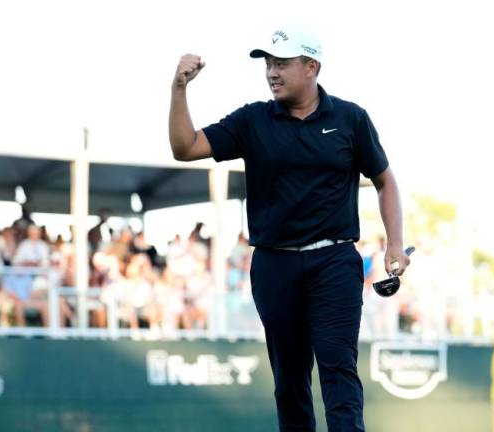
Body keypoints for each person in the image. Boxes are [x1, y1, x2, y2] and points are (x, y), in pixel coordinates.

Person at [168, 26, 411, 432]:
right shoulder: (253, 120)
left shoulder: (350, 119)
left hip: (333, 261)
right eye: (267, 63)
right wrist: (179, 88)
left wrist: (395, 245)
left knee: (338, 367)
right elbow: (185, 147)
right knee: (290, 381)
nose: (271, 72)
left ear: (311, 66)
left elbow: (385, 180)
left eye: (281, 63)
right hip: (274, 265)